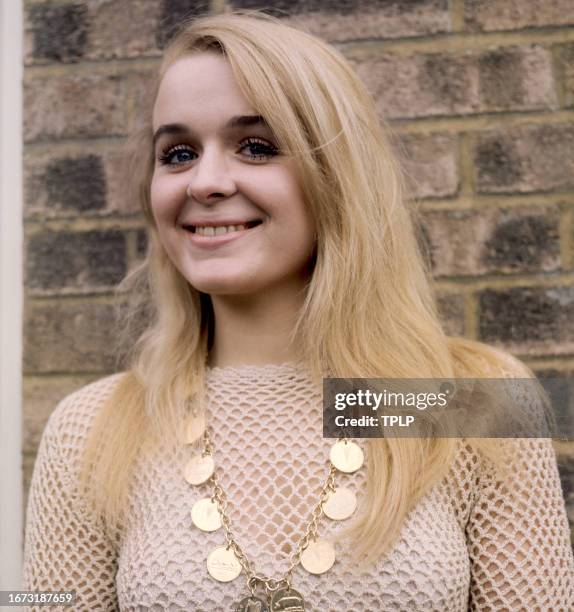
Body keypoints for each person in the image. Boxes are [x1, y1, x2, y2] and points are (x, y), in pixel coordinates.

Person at [22, 9, 574, 611]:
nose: (204, 181)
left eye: (255, 147)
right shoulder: (92, 427)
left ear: (335, 177)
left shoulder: (466, 399)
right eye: (177, 153)